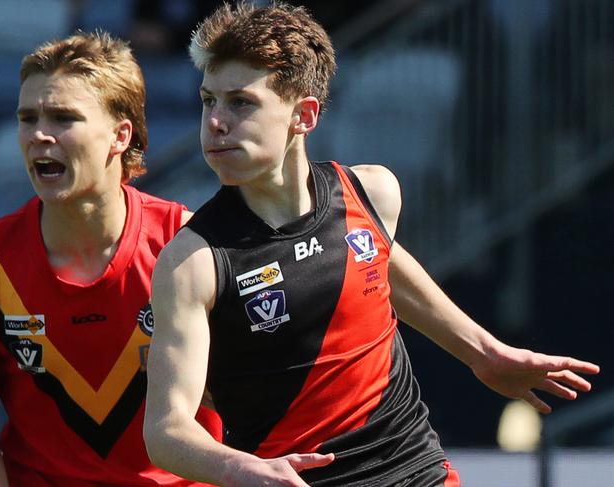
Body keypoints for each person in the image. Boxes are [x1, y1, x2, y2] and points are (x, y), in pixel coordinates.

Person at [142, 3, 600, 486]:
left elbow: (377, 265)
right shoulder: (192, 262)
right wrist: (246, 470)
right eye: (207, 100)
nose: (215, 122)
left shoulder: (372, 193)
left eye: (241, 103)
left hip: (419, 473)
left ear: (304, 115)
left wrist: (484, 353)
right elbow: (167, 430)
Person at [0, 31, 221, 486]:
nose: (39, 134)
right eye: (28, 117)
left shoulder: (191, 246)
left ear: (120, 136)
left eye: (63, 118)